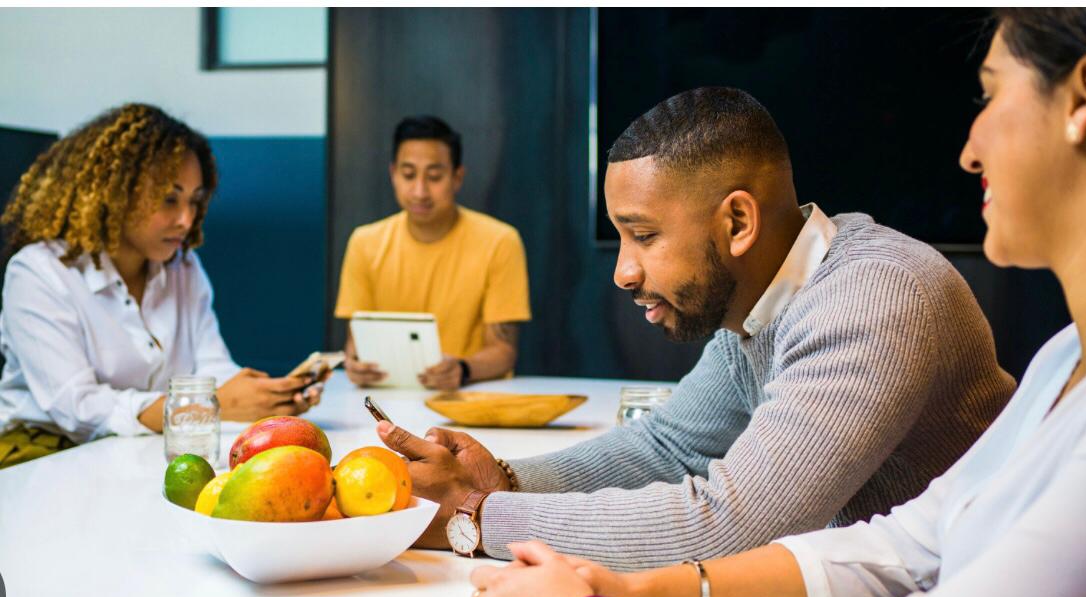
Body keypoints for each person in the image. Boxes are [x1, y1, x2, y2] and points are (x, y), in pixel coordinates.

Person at [469, 8, 1086, 597]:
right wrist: (627, 584)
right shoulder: (1063, 359)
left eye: (990, 94)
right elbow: (904, 545)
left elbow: (734, 522)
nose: (969, 149)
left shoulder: (879, 293)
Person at [374, 87, 1016, 569]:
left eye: (644, 236)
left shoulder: (873, 295)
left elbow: (732, 524)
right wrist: (505, 479)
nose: (623, 272)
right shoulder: (764, 303)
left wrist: (477, 519)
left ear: (737, 223)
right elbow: (669, 448)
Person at [0, 103, 323, 468]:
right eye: (169, 199)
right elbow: (77, 407)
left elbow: (212, 368)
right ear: (114, 191)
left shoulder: (182, 267)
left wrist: (269, 398)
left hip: (141, 449)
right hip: (41, 456)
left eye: (195, 201)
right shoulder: (39, 271)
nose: (186, 220)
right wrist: (208, 405)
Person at [335, 115, 531, 390]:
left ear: (457, 177)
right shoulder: (364, 242)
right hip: (386, 396)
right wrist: (355, 364)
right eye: (408, 175)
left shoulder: (500, 241)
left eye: (435, 176)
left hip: (469, 395)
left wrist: (461, 369)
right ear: (393, 174)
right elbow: (356, 342)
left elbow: (503, 350)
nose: (419, 191)